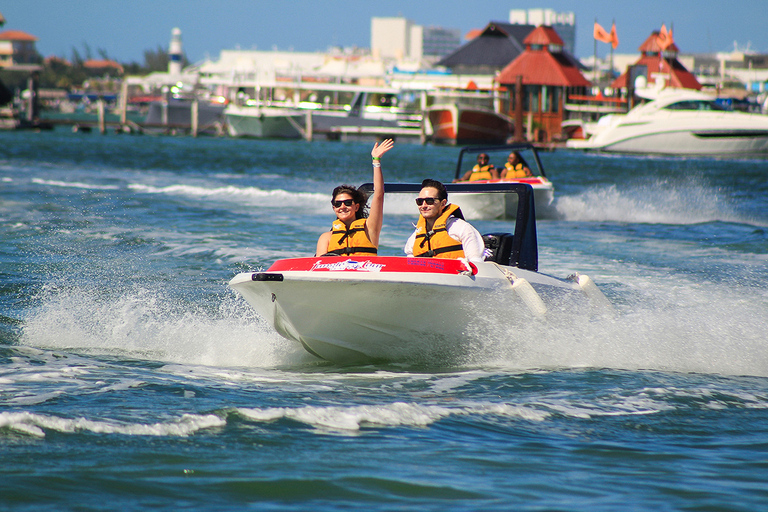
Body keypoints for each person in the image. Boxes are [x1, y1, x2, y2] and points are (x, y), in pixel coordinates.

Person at [315, 138, 394, 257]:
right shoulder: (326, 238)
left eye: (347, 203)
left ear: (356, 207)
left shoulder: (370, 229)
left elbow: (378, 194)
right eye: (338, 204)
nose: (342, 207)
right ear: (334, 208)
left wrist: (376, 161)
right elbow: (318, 266)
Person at [404, 179, 486, 262]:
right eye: (420, 201)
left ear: (443, 203)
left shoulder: (462, 229)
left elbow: (476, 262)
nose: (424, 205)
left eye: (429, 201)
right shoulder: (414, 238)